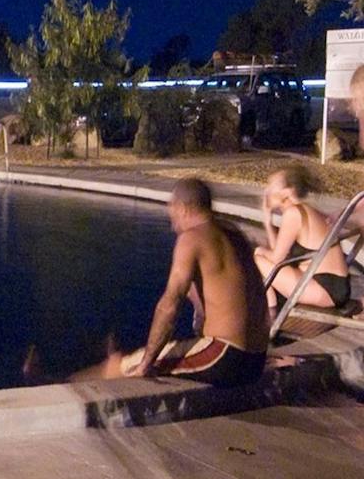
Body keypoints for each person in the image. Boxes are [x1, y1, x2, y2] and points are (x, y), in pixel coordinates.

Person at [76, 178, 269, 387]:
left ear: (184, 208)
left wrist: (146, 364)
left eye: (172, 211)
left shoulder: (191, 238)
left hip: (225, 357)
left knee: (123, 364)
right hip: (256, 359)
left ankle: (64, 384)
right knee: (149, 353)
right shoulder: (233, 234)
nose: (172, 223)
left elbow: (170, 305)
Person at [254, 165, 351, 311]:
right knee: (261, 257)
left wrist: (259, 252)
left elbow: (276, 260)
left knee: (256, 259)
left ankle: (270, 316)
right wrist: (268, 223)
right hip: (334, 286)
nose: (266, 191)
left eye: (272, 186)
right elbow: (280, 256)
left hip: (324, 288)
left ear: (287, 192)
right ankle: (270, 312)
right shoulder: (305, 210)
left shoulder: (294, 214)